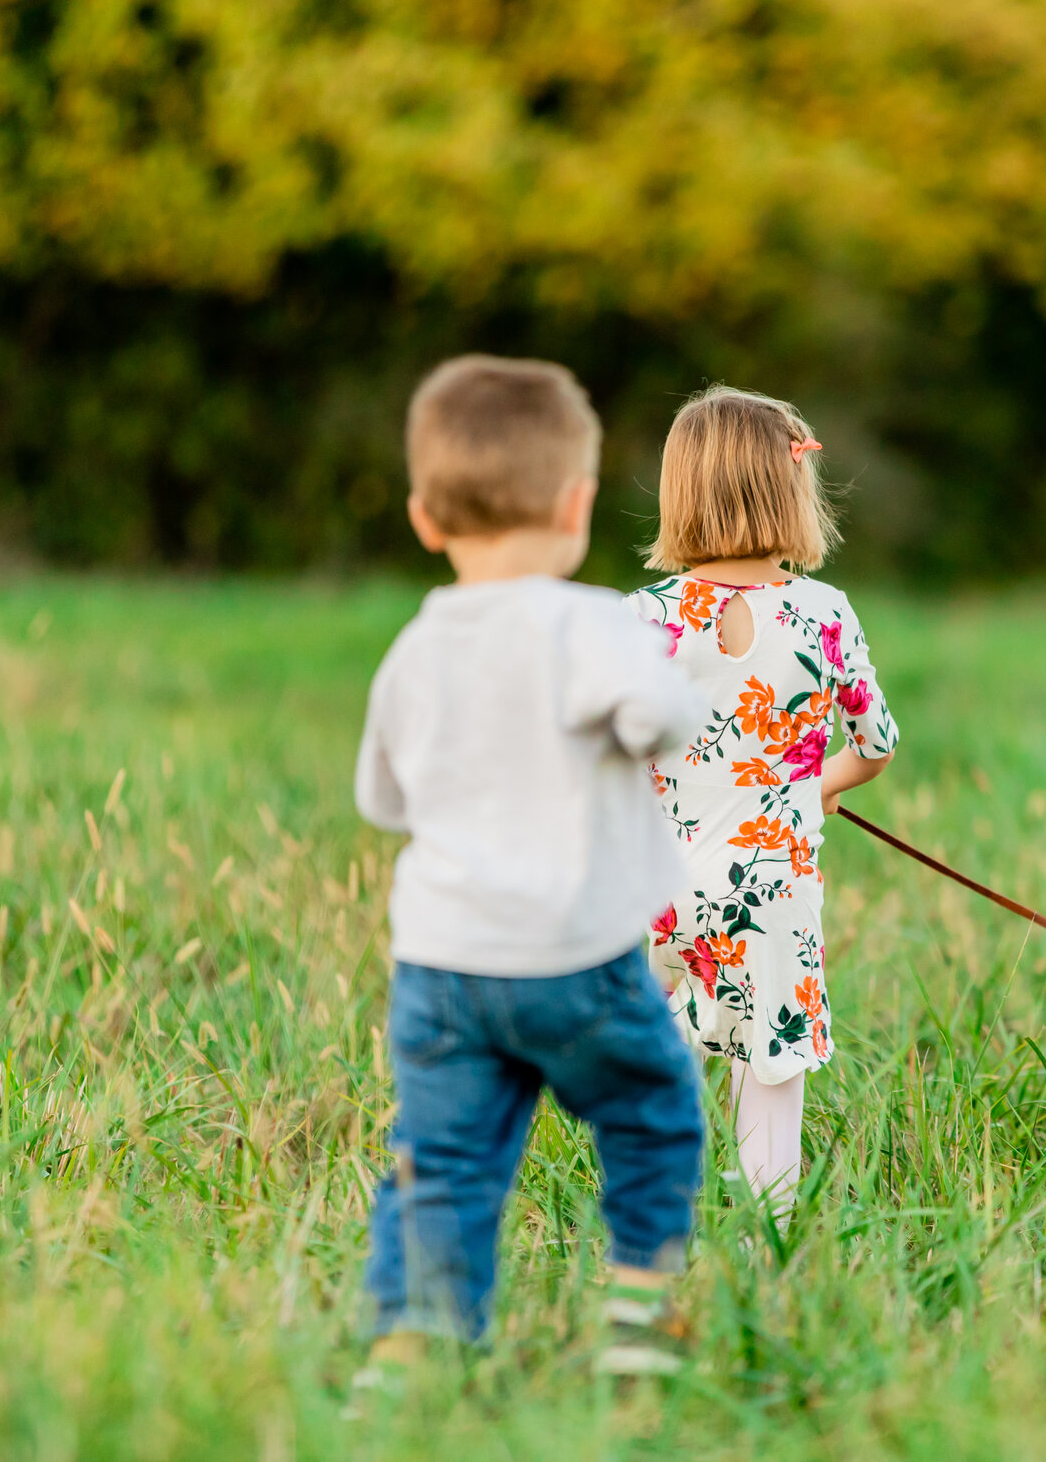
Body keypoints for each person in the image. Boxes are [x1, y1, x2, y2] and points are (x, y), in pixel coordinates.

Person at [354, 355, 707, 1376]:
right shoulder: (588, 621)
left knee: (445, 1160)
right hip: (576, 955)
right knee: (651, 1114)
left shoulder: (415, 644)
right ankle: (639, 1319)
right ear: (578, 503)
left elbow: (381, 798)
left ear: (424, 516)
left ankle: (414, 1343)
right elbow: (662, 716)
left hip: (443, 962)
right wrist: (654, 704)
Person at [629, 387, 900, 1222]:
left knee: (653, 1058)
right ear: (791, 490)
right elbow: (876, 743)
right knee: (770, 1067)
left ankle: (652, 1219)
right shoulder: (824, 615)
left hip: (663, 885)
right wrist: (796, 792)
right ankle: (768, 1237)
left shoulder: (646, 618)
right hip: (776, 888)